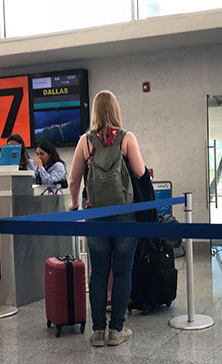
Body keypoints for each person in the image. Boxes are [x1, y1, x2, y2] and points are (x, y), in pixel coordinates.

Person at [68, 90, 144, 347]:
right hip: (124, 214)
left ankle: (98, 331)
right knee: (122, 271)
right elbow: (140, 171)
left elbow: (74, 178)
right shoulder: (126, 138)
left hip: (95, 214)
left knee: (98, 272)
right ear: (115, 110)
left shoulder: (85, 142)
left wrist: (75, 203)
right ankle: (117, 330)